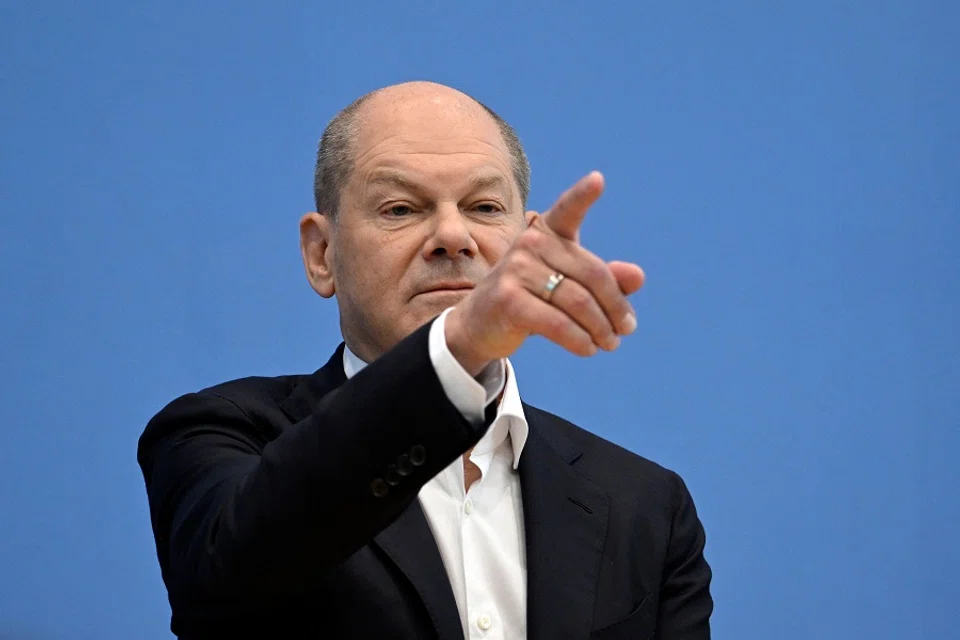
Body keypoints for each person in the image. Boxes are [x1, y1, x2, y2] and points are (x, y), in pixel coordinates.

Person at [137, 81, 713, 639]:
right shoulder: (221, 437)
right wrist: (458, 348)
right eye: (400, 209)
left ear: (529, 242)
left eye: (484, 207)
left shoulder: (645, 506)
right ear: (321, 253)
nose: (453, 236)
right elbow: (223, 583)